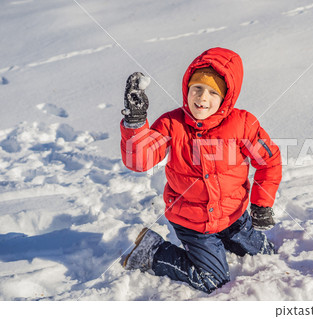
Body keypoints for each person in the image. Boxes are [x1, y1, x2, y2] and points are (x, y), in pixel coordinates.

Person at [120, 47, 282, 293]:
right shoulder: (171, 124)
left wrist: (262, 204)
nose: (202, 97)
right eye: (197, 88)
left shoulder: (243, 125)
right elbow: (140, 161)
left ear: (226, 98)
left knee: (266, 253)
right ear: (187, 88)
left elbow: (269, 161)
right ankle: (153, 252)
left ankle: (227, 240)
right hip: (194, 223)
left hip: (233, 216)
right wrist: (136, 123)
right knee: (213, 280)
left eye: (212, 92)